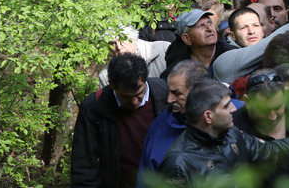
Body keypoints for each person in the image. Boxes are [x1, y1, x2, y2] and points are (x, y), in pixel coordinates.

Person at [159, 79, 289, 184]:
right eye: (226, 106)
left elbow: (274, 150)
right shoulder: (178, 163)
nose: (234, 109)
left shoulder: (232, 135)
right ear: (209, 116)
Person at [71, 53, 169, 188]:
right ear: (111, 85)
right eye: (126, 97)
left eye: (139, 94)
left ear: (145, 80)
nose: (134, 102)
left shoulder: (165, 94)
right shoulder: (95, 107)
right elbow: (84, 163)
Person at [136, 60, 210, 185]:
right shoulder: (161, 123)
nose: (169, 99)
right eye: (169, 91)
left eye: (177, 93)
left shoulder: (229, 119)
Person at [161, 9, 237, 79]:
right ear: (187, 38)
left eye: (210, 23)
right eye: (201, 26)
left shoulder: (232, 56)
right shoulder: (177, 70)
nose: (209, 29)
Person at [97, 25, 170, 88]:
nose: (119, 47)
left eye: (123, 39)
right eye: (113, 43)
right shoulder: (106, 76)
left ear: (134, 38)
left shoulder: (164, 50)